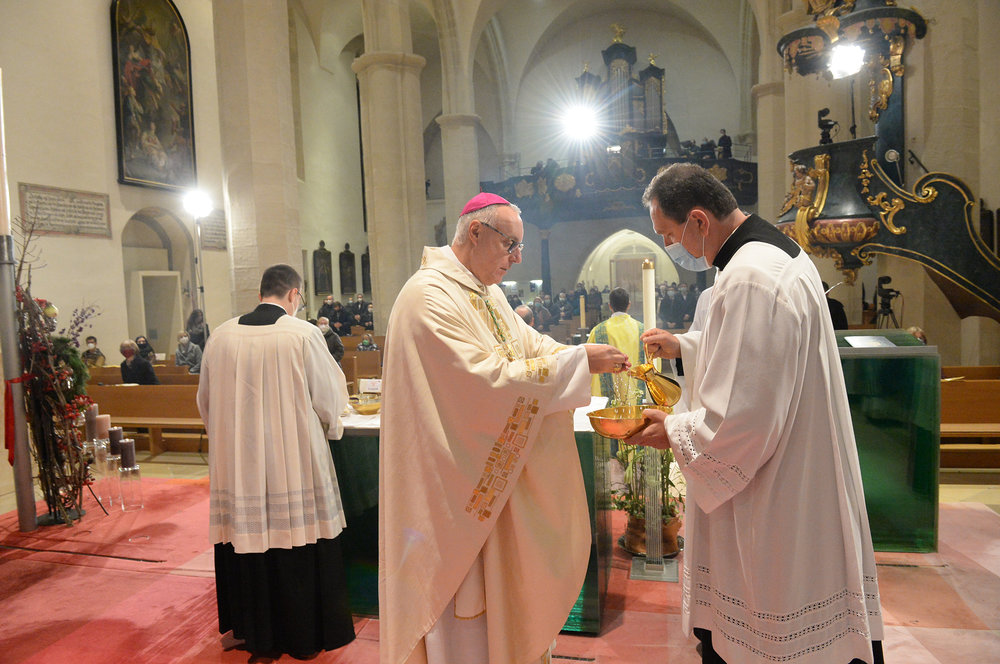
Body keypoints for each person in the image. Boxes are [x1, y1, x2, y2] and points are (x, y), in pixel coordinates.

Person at [627, 163, 883, 664]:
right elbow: (756, 355)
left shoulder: (748, 278)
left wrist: (672, 429)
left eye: (669, 234)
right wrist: (685, 346)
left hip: (776, 490)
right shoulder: (773, 255)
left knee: (764, 622)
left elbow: (740, 421)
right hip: (801, 462)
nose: (671, 246)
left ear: (699, 220)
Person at [379, 192, 629, 664]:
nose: (516, 258)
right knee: (467, 627)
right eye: (510, 244)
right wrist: (578, 362)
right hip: (453, 493)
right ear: (476, 232)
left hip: (485, 484)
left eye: (520, 247)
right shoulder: (427, 297)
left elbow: (532, 346)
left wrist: (579, 357)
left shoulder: (486, 292)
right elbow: (482, 383)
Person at [197, 264, 354, 658]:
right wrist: (333, 424)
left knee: (248, 538)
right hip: (292, 458)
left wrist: (230, 439)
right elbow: (329, 397)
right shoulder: (302, 334)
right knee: (295, 536)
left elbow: (205, 401)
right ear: (294, 295)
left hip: (240, 464)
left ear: (261, 293)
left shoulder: (221, 335)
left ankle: (254, 630)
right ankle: (302, 634)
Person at [587, 287, 646, 405]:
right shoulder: (642, 329)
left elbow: (588, 361)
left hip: (607, 399)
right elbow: (654, 361)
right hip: (636, 394)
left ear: (610, 306)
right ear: (629, 305)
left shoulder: (598, 331)